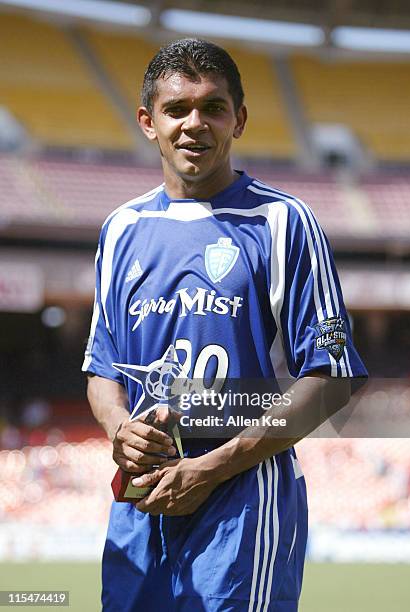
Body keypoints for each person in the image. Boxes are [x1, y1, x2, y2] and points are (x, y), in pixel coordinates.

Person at [82, 38, 367, 612]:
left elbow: (332, 377)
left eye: (213, 108)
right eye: (176, 109)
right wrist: (118, 427)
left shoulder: (284, 223)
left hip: (242, 503)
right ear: (147, 121)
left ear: (239, 119)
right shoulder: (121, 229)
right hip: (140, 506)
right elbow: (102, 367)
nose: (195, 124)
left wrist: (212, 468)